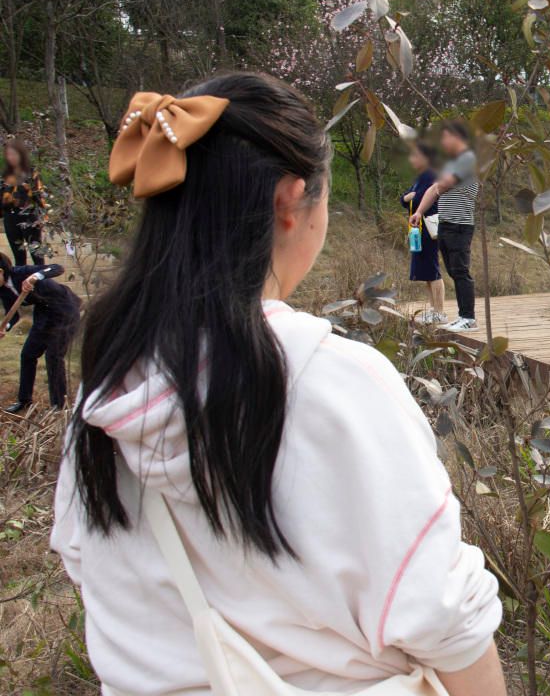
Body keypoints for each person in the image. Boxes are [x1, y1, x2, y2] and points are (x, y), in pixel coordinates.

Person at [50, 73, 506, 696]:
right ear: (290, 202)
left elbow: (86, 563)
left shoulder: (103, 390)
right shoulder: (336, 381)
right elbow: (448, 622)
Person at [413, 121, 479, 333]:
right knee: (453, 270)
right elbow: (434, 188)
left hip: (460, 225)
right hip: (446, 224)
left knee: (460, 271)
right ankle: (462, 316)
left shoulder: (467, 159)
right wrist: (419, 212)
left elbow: (441, 185)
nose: (442, 142)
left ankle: (468, 317)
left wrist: (438, 179)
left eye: (444, 137)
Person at [0, 254, 80, 413]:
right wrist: (5, 327)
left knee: (53, 356)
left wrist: (34, 277)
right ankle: (24, 401)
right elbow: (13, 314)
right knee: (28, 354)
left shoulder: (22, 272)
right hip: (44, 314)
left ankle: (59, 406)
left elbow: (57, 268)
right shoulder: (2, 290)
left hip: (64, 310)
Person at [402, 142, 447, 325]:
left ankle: (440, 312)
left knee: (432, 268)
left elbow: (424, 196)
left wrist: (414, 197)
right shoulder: (421, 177)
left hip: (430, 227)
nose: (411, 160)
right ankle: (434, 309)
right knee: (426, 271)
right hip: (418, 229)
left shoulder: (433, 175)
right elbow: (406, 198)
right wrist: (409, 197)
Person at [2, 138, 49, 266]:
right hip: (10, 218)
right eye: (8, 154)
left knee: (37, 256)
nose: (11, 157)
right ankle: (21, 284)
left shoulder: (31, 173)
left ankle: (40, 283)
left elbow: (39, 196)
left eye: (14, 154)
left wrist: (42, 218)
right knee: (19, 258)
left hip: (30, 217)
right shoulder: (4, 176)